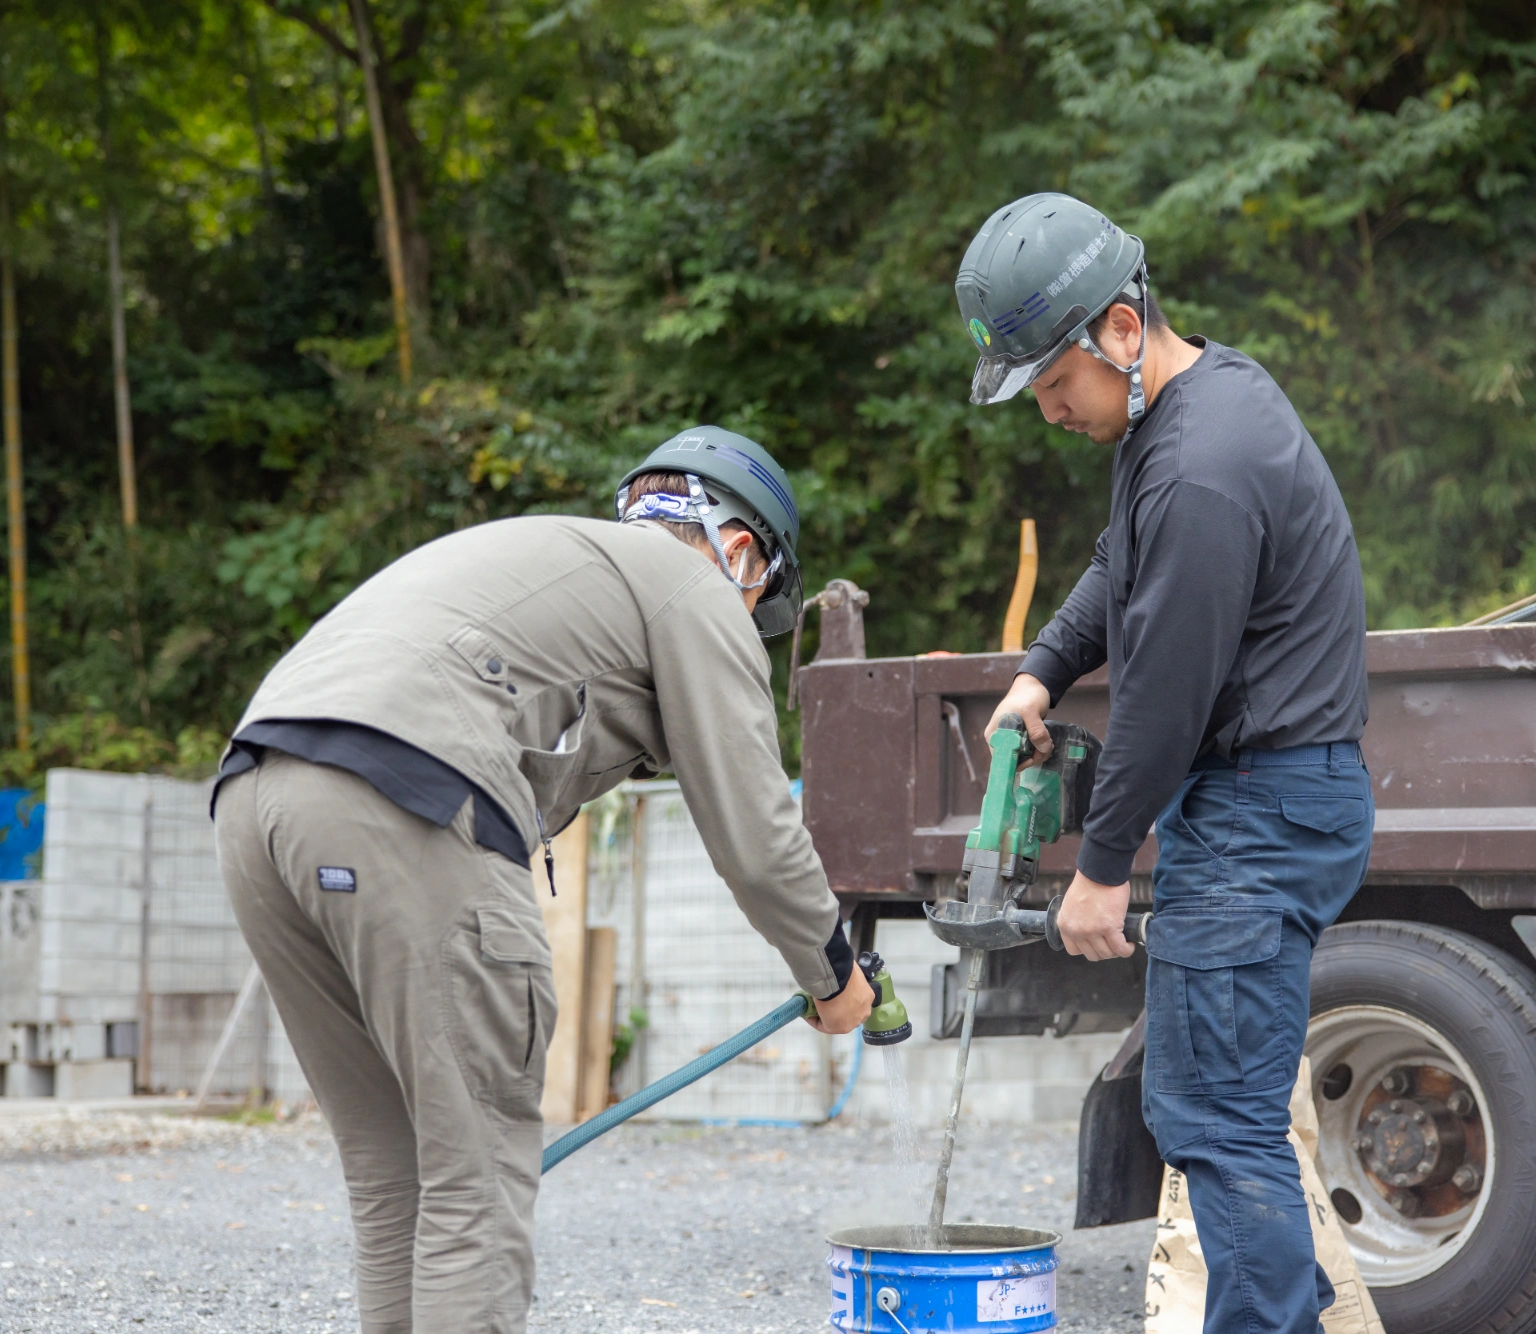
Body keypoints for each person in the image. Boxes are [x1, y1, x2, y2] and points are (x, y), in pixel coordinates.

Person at [210, 425, 875, 1334]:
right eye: (755, 595)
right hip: (407, 795)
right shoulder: (693, 586)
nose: (747, 610)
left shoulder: (555, 561)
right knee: (474, 1177)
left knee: (392, 1175)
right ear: (741, 549)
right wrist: (833, 973)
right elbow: (756, 834)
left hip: (254, 796)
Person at [960, 193, 1373, 1334]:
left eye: (1053, 384)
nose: (1047, 410)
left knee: (1216, 1124)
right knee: (1222, 1117)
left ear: (1122, 331)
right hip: (1266, 801)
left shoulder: (1199, 465)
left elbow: (1166, 692)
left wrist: (1098, 867)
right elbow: (1116, 561)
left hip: (1255, 811)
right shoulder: (1195, 410)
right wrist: (1043, 665)